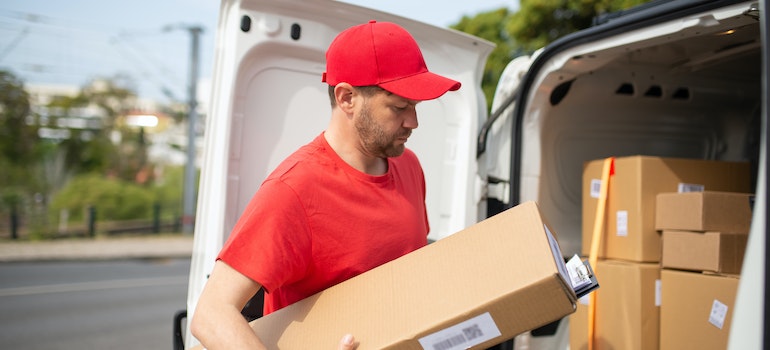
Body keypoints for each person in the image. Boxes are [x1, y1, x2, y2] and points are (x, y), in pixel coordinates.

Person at [190, 20, 461, 350]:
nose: (413, 122)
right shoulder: (294, 190)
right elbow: (211, 314)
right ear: (347, 98)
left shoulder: (409, 167)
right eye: (399, 107)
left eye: (415, 108)